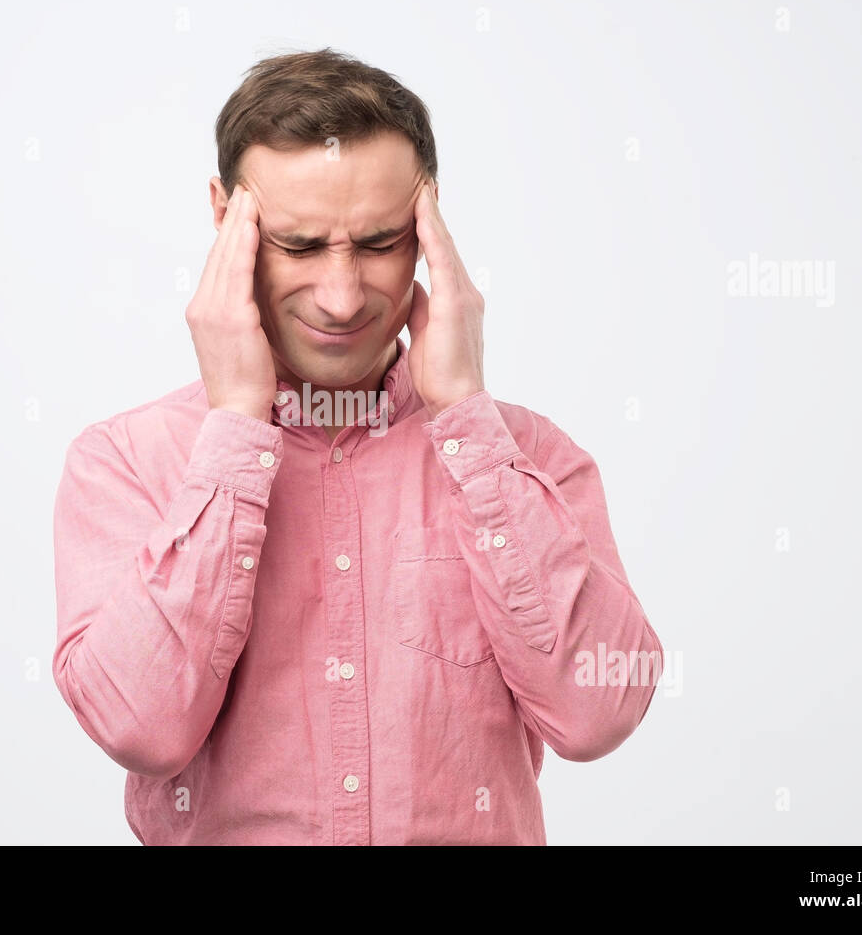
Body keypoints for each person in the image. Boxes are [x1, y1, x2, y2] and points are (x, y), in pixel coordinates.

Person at [51, 47, 663, 845]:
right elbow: (141, 728)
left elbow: (597, 713)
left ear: (429, 221)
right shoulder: (124, 463)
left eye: (378, 242)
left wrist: (467, 421)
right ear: (224, 217)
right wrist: (237, 423)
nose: (341, 300)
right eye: (299, 245)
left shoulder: (529, 458)